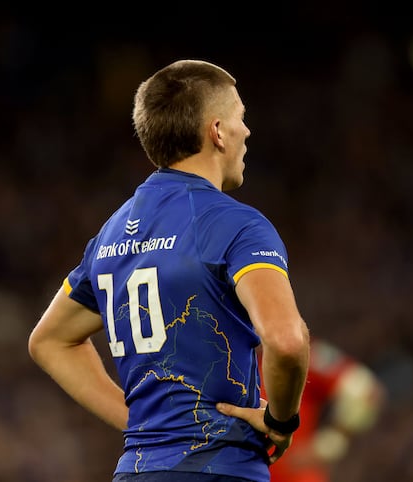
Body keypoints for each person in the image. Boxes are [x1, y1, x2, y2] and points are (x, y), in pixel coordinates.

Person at [28, 59, 310, 482]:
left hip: (138, 471)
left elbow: (49, 341)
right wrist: (281, 421)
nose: (247, 131)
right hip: (219, 467)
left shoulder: (110, 236)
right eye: (240, 118)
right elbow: (287, 342)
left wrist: (140, 425)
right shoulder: (237, 225)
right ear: (217, 131)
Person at [260, 339, 386, 482]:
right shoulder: (235, 358)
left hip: (290, 473)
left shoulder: (297, 351)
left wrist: (329, 444)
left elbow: (367, 393)